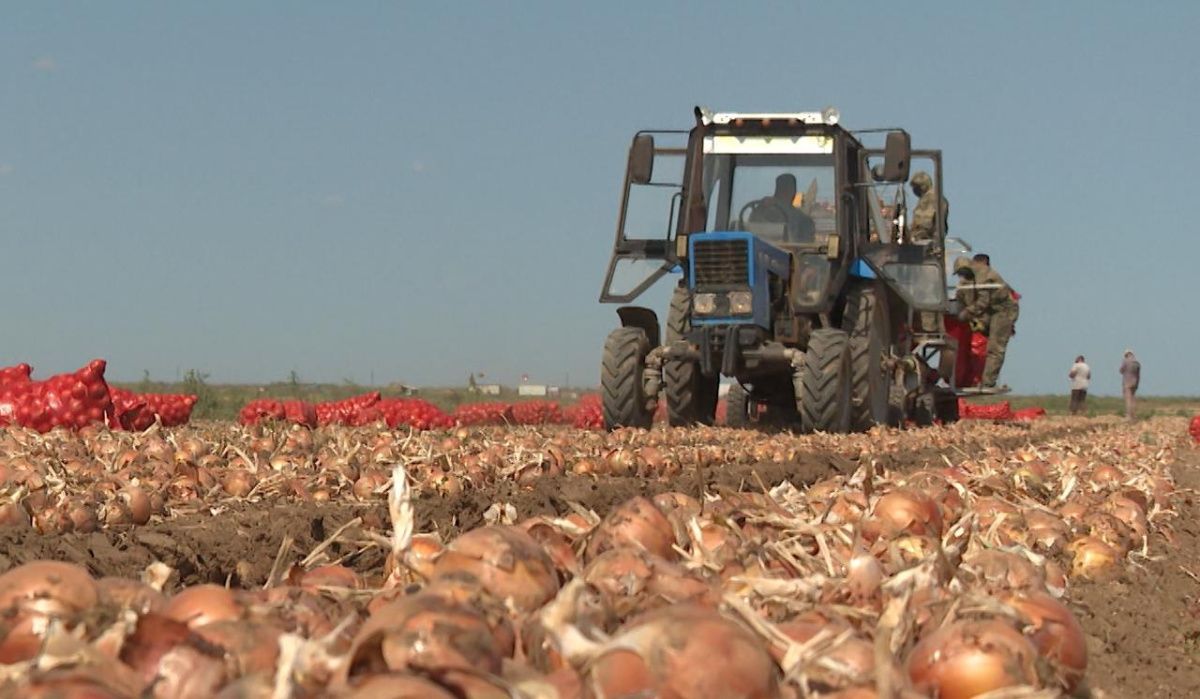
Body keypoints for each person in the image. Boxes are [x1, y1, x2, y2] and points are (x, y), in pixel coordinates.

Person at [952, 256, 1019, 388]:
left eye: (962, 273)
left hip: (1003, 310)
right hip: (988, 312)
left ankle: (988, 382)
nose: (962, 277)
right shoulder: (967, 280)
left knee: (995, 347)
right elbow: (961, 298)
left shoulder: (983, 274)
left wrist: (966, 313)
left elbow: (982, 302)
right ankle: (974, 379)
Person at [910, 170, 949, 254]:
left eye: (916, 187)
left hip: (926, 245)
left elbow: (924, 223)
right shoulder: (932, 197)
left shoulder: (930, 198)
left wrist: (911, 235)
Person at [1120, 350, 1141, 420]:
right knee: (1133, 399)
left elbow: (1121, 370)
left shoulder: (1125, 361)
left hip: (1127, 382)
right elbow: (1138, 374)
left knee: (1128, 399)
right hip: (1135, 382)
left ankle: (1129, 416)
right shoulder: (1137, 363)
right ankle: (1134, 415)